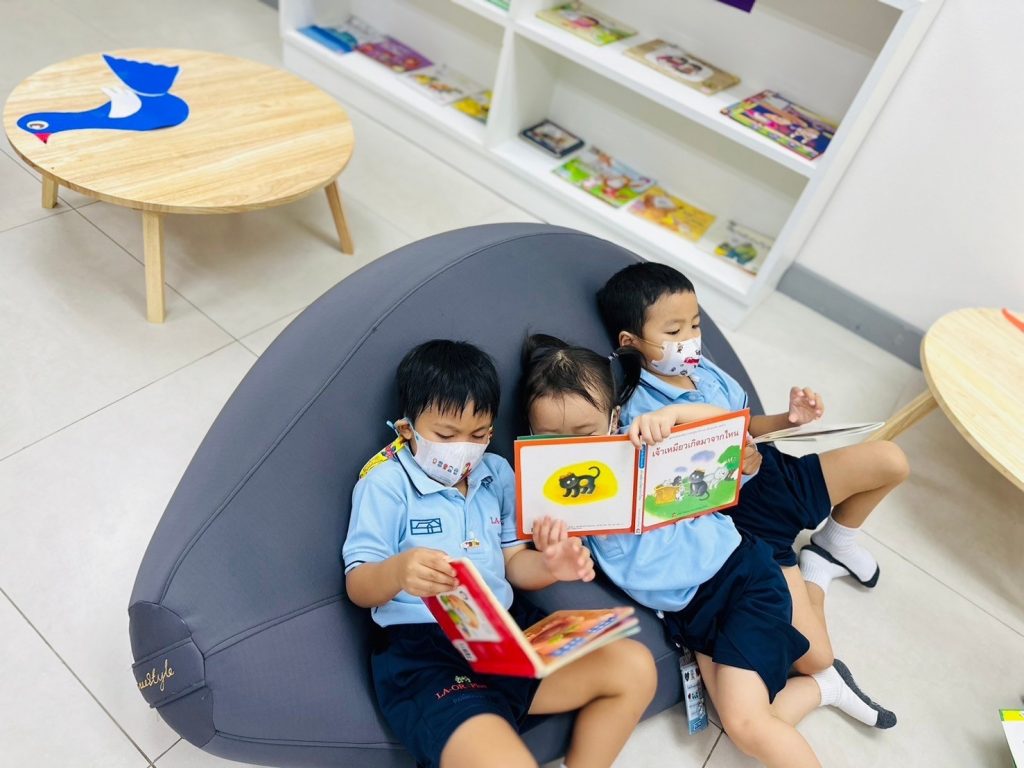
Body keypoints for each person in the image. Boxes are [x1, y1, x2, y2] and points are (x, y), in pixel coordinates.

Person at [520, 334, 898, 768]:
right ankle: (824, 686)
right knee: (743, 725)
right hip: (690, 613)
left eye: (584, 433)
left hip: (738, 581)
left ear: (613, 418)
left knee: (748, 725)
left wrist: (673, 415)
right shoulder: (547, 492)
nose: (570, 447)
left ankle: (816, 613)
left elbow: (729, 428)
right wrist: (555, 550)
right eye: (551, 437)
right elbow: (552, 560)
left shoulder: (639, 438)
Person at [343, 339, 656, 768]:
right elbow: (359, 586)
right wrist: (398, 572)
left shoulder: (496, 474)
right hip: (425, 652)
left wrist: (551, 565)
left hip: (507, 634)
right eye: (446, 436)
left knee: (635, 667)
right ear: (406, 429)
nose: (463, 449)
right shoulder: (384, 485)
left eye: (479, 435)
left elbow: (514, 565)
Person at [596, 262, 910, 673]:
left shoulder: (702, 371)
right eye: (673, 332)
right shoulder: (643, 413)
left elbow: (745, 426)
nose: (690, 340)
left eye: (695, 325)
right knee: (816, 657)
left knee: (890, 460)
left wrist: (788, 420)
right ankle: (814, 572)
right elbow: (675, 494)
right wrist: (731, 463)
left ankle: (834, 543)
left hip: (773, 475)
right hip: (744, 519)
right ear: (630, 341)